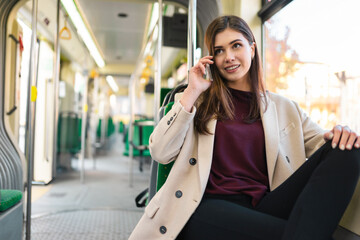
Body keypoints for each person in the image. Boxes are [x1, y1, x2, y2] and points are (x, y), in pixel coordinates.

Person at [129, 15, 360, 240]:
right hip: (207, 206)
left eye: (236, 46)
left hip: (265, 204)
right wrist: (192, 90)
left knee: (347, 150)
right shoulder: (197, 100)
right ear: (212, 58)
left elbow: (326, 144)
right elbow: (160, 150)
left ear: (252, 48)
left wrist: (343, 131)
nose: (228, 57)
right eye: (219, 51)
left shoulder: (285, 107)